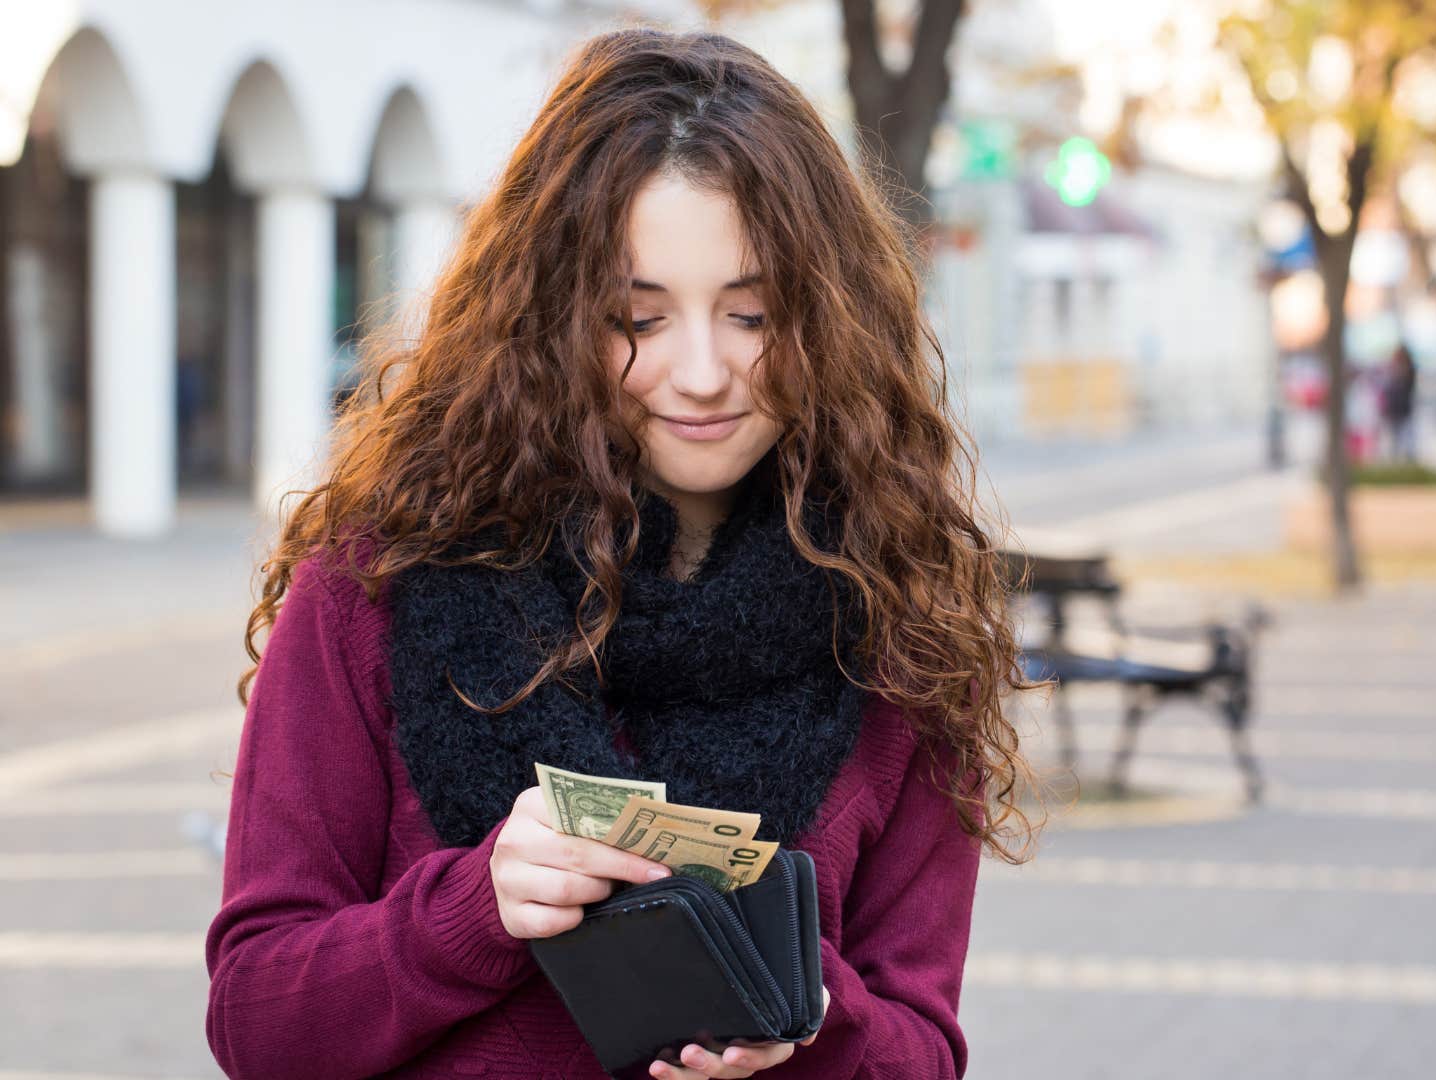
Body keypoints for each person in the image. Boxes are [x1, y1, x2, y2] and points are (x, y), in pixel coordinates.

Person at [205, 29, 1036, 1080]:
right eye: (636, 317)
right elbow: (258, 1021)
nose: (702, 372)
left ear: (830, 319)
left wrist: (816, 1024)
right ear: (549, 318)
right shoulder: (376, 582)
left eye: (755, 314)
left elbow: (925, 1051)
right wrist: (473, 911)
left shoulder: (900, 624)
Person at [1381, 346, 1419, 462]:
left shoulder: (1409, 371)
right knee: (1395, 436)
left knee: (1406, 434)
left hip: (1404, 408)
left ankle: (1408, 456)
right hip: (1394, 409)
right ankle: (1396, 456)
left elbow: (1408, 389)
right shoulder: (1393, 370)